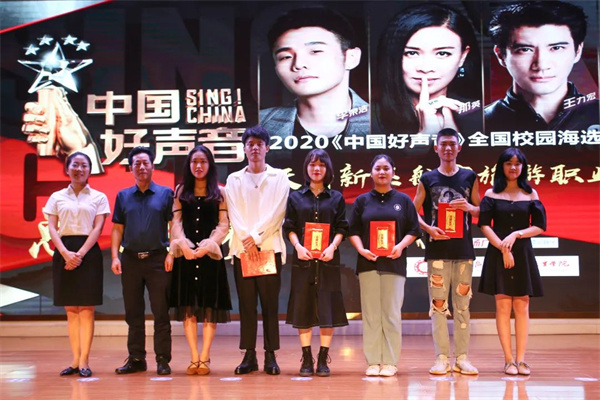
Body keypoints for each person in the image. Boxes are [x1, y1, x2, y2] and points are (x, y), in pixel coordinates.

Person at [412, 128, 480, 375]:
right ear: (436, 148)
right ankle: (441, 358)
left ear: (459, 147)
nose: (448, 148)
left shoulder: (469, 176)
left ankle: (462, 357)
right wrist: (428, 228)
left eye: (452, 144)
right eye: (444, 144)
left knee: (463, 306)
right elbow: (412, 212)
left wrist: (469, 207)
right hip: (437, 251)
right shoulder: (427, 178)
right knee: (439, 305)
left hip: (464, 252)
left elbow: (481, 210)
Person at [225, 125, 290, 375]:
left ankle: (270, 355)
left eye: (259, 144)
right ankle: (249, 355)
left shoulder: (279, 177)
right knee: (247, 305)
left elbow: (278, 212)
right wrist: (247, 239)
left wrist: (255, 237)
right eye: (250, 144)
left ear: (267, 148)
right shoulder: (234, 179)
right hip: (243, 251)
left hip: (269, 249)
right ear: (244, 149)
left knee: (270, 305)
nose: (254, 148)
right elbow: (234, 213)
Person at [348, 154, 420, 377]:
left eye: (386, 168)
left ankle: (389, 361)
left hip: (394, 264)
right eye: (377, 168)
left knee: (391, 314)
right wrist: (361, 249)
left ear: (393, 172)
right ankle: (373, 361)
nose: (382, 172)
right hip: (367, 264)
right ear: (371, 172)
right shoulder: (362, 201)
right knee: (371, 314)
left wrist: (399, 246)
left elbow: (414, 230)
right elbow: (353, 230)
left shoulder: (403, 200)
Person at [478, 148, 546, 376]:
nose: (513, 167)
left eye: (517, 163)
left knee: (522, 305)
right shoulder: (491, 193)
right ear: (501, 166)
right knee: (503, 305)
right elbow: (484, 225)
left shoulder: (531, 193)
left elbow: (539, 226)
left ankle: (522, 360)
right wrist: (503, 247)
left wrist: (516, 234)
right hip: (498, 252)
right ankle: (508, 360)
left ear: (523, 167)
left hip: (522, 252)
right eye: (508, 163)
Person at [485, 1, 599, 133]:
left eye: (556, 48)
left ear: (577, 51)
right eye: (525, 50)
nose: (541, 65)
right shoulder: (477, 124)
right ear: (500, 55)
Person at [43, 152, 110, 378]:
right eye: (75, 165)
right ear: (67, 168)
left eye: (84, 165)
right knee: (71, 309)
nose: (79, 169)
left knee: (87, 308)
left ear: (90, 170)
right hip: (63, 250)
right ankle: (74, 360)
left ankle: (84, 361)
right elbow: (52, 227)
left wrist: (79, 254)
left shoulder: (98, 197)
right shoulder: (57, 196)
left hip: (88, 252)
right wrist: (65, 253)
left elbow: (98, 228)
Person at [283, 149, 349, 377]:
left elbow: (342, 227)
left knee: (327, 308)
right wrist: (298, 247)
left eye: (321, 165)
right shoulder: (296, 197)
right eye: (312, 165)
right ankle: (306, 357)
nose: (317, 168)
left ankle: (323, 358)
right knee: (303, 307)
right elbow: (289, 227)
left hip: (328, 261)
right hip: (303, 261)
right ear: (306, 168)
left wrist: (332, 247)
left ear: (327, 169)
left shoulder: (336, 198)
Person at [111, 147, 174, 375]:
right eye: (136, 163)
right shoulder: (123, 196)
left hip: (158, 259)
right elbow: (117, 229)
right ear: (131, 168)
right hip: (130, 260)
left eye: (145, 162)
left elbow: (174, 226)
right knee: (133, 312)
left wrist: (171, 253)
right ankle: (136, 358)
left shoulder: (165, 194)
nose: (141, 167)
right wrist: (115, 256)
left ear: (152, 166)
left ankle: (162, 359)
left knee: (161, 311)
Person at [169, 145, 232, 375]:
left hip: (210, 257)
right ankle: (194, 356)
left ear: (210, 165)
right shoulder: (180, 191)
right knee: (188, 307)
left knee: (208, 307)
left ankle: (205, 356)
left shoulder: (220, 192)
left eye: (203, 162)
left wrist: (209, 245)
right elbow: (175, 223)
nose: (198, 166)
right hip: (186, 256)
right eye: (194, 162)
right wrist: (183, 244)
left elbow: (223, 224)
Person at [260, 7, 368, 138]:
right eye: (285, 57)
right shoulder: (259, 124)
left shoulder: (384, 120)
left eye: (315, 51)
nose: (298, 64)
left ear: (351, 58)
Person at [375, 3, 481, 135]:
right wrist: (425, 137)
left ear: (462, 57)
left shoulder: (482, 115)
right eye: (412, 53)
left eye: (442, 53)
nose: (426, 68)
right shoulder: (365, 119)